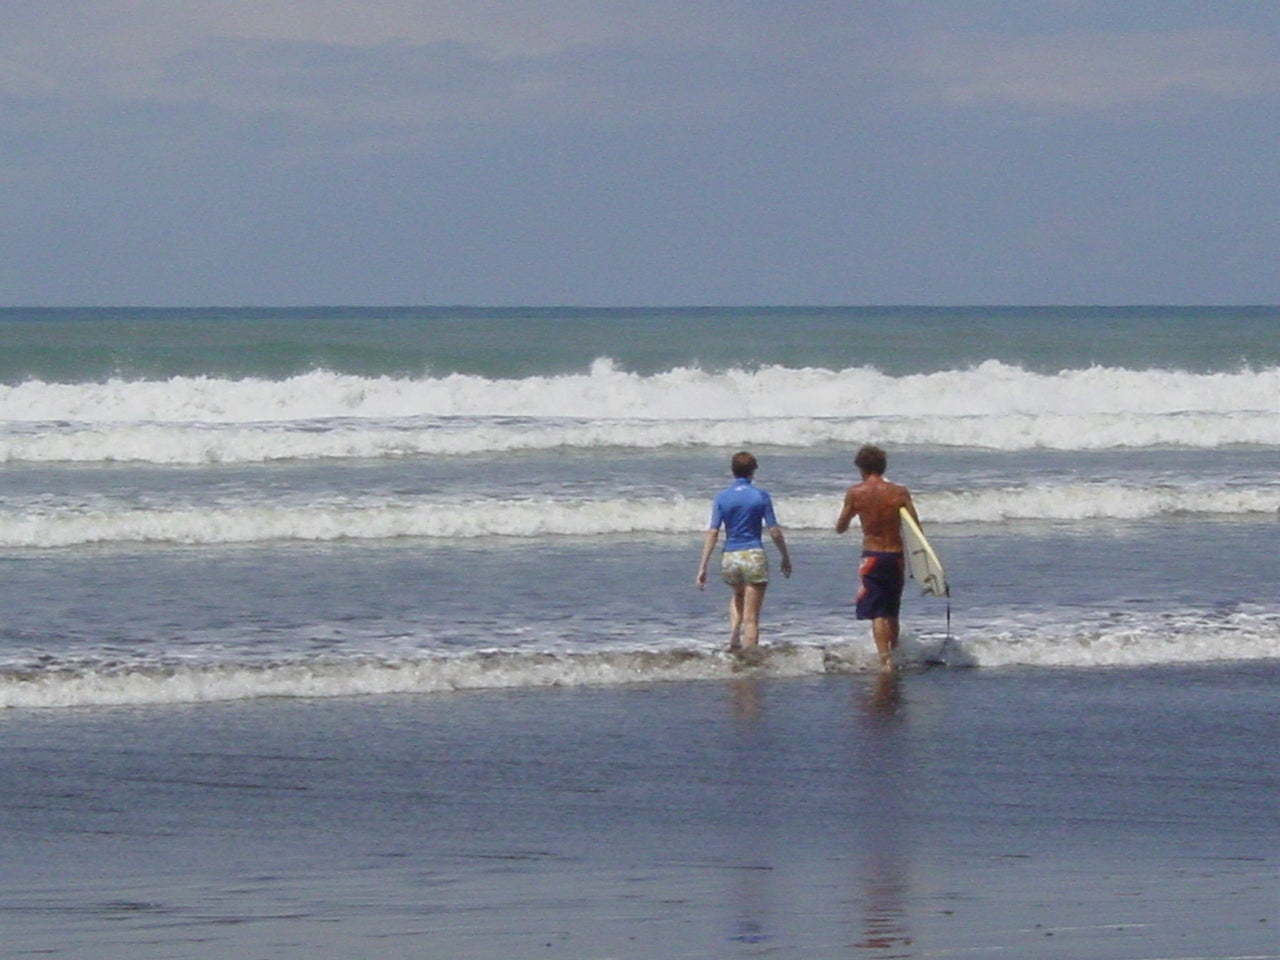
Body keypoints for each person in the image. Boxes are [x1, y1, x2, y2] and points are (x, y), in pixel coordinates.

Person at [696, 451, 792, 651]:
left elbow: (713, 532)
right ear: (753, 471)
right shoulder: (760, 496)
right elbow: (773, 530)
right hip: (753, 555)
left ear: (732, 471)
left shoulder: (721, 497)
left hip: (730, 556)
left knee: (738, 595)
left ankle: (733, 640)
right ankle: (750, 663)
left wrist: (703, 566)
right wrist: (784, 555)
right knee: (752, 618)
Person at [835, 444, 918, 671]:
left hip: (872, 556)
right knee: (892, 609)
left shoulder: (855, 493)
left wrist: (854, 512)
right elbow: (915, 528)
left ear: (861, 467)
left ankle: (885, 661)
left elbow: (840, 527)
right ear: (883, 466)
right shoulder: (900, 492)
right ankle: (896, 653)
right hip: (896, 556)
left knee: (878, 613)